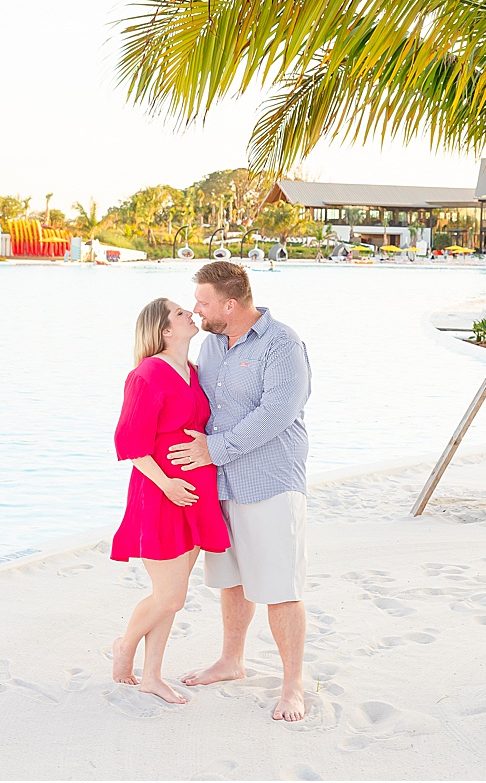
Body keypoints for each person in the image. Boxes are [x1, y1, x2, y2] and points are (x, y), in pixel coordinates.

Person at [168, 261, 312, 722]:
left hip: (269, 480)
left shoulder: (282, 343)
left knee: (280, 587)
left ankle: (293, 686)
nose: (197, 310)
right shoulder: (210, 344)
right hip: (221, 484)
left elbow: (277, 413)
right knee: (232, 579)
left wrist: (215, 450)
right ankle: (232, 661)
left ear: (230, 305)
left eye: (204, 302)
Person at [109, 296, 230, 707]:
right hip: (161, 494)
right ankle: (125, 646)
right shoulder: (146, 375)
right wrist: (167, 486)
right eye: (181, 313)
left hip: (195, 494)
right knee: (170, 596)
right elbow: (129, 444)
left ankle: (152, 676)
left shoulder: (194, 372)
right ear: (164, 330)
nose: (190, 314)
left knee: (173, 596)